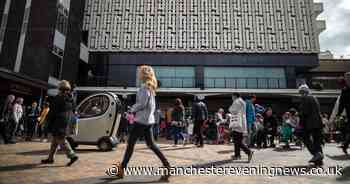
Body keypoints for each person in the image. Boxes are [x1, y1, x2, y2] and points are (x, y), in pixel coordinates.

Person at [114, 65, 171, 181]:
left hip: (141, 121)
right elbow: (150, 106)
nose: (138, 74)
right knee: (151, 145)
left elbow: (142, 104)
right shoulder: (151, 88)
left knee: (130, 145)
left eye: (140, 72)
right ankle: (167, 165)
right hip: (148, 121)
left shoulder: (144, 88)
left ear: (143, 75)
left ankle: (122, 169)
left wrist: (131, 109)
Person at [41, 80, 79, 166]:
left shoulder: (59, 97)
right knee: (55, 141)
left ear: (60, 88)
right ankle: (50, 158)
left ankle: (72, 155)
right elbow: (74, 110)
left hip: (59, 121)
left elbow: (53, 111)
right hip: (68, 121)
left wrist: (47, 120)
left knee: (61, 139)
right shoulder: (71, 99)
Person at [298, 84, 324, 166]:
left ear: (302, 92)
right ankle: (319, 160)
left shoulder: (305, 99)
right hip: (318, 123)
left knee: (305, 138)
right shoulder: (314, 98)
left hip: (309, 123)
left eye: (301, 92)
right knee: (317, 141)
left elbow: (304, 113)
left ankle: (316, 154)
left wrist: (300, 124)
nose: (300, 94)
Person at [229, 93, 253, 162]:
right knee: (237, 140)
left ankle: (248, 152)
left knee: (237, 141)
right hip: (241, 123)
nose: (232, 98)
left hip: (237, 123)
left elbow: (232, 110)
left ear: (235, 96)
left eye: (232, 96)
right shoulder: (242, 101)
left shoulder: (237, 101)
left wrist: (230, 108)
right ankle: (237, 155)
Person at [338, 72, 350, 155]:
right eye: (347, 78)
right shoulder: (344, 89)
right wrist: (339, 113)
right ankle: (345, 145)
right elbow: (341, 102)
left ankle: (345, 145)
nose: (348, 79)